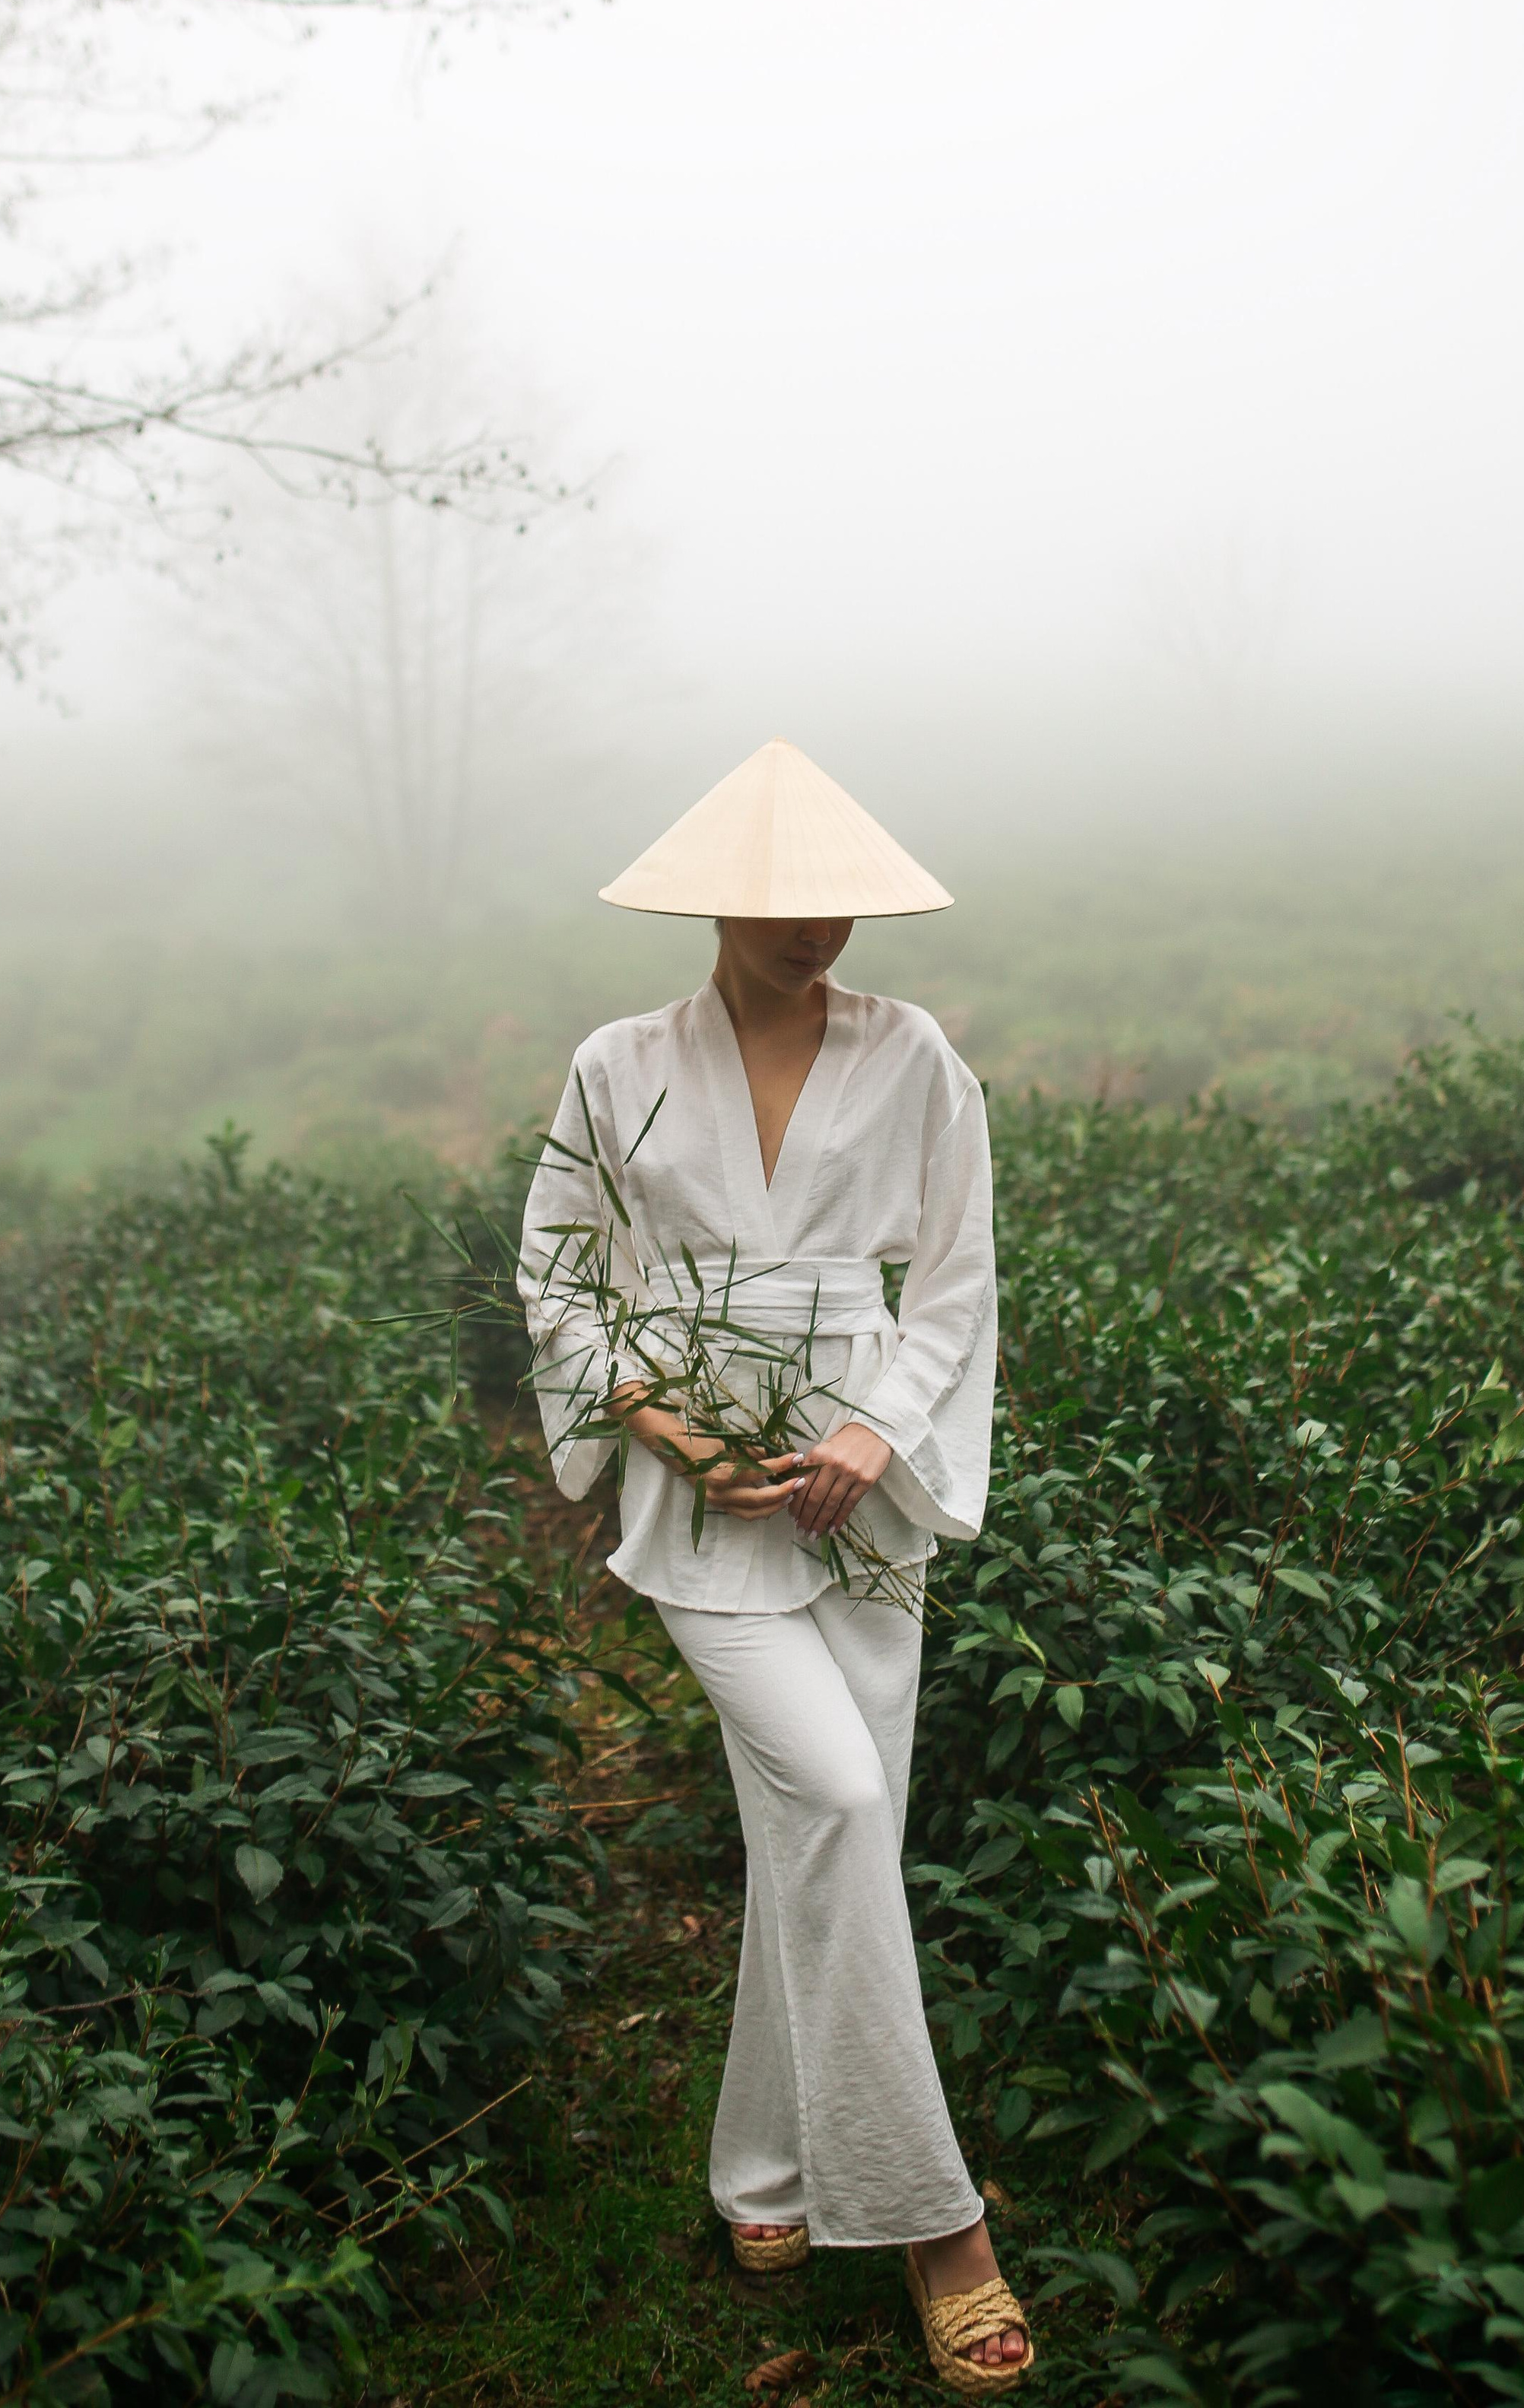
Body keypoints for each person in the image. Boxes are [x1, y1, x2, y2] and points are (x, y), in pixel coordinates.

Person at [518, 739, 1033, 2395]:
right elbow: (559, 1272)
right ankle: (935, 2226)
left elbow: (951, 1274)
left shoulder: (916, 1054)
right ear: (721, 898)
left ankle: (766, 2174)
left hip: (858, 1494)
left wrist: (881, 1430)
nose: (822, 929)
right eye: (790, 901)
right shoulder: (617, 1063)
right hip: (703, 1492)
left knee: (824, 1837)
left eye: (845, 903)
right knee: (837, 1805)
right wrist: (652, 1415)